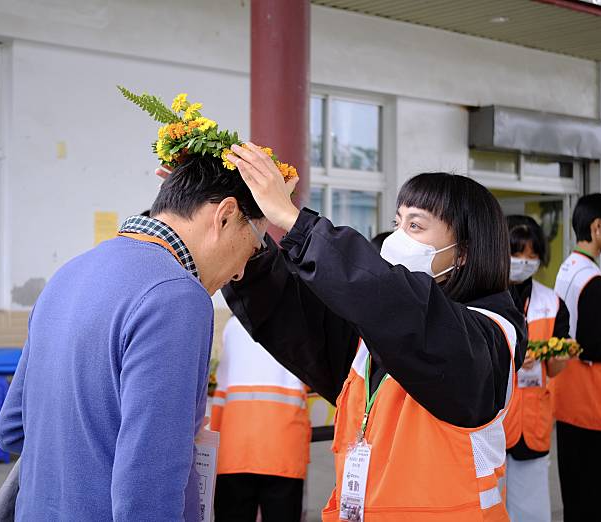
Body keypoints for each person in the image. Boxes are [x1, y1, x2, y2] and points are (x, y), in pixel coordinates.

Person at [0, 90, 279, 520]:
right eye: (254, 244)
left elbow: (13, 428)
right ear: (223, 216)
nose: (241, 271)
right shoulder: (177, 297)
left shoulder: (69, 273)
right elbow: (150, 483)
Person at [222, 143, 527, 521]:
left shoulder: (486, 338)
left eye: (415, 225)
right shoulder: (374, 336)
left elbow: (404, 309)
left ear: (462, 252)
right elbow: (294, 316)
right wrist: (240, 225)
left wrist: (294, 220)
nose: (397, 237)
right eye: (397, 222)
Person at [503, 215, 570, 522]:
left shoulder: (552, 303)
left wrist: (553, 356)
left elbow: (556, 370)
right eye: (517, 253)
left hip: (532, 422)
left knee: (532, 512)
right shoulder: (480, 297)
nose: (525, 262)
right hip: (491, 423)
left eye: (532, 255)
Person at [211, 315, 311, 522]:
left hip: (234, 450)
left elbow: (222, 388)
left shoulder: (233, 325)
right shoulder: (297, 323)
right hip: (283, 448)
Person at [553, 193, 601, 522]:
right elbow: (591, 346)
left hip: (567, 397)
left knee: (574, 495)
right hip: (591, 403)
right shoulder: (594, 279)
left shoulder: (569, 266)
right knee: (591, 498)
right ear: (598, 227)